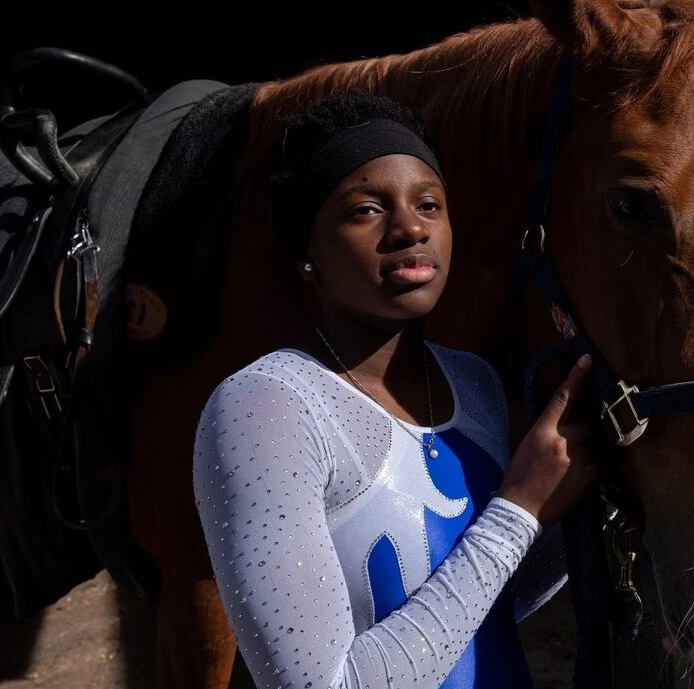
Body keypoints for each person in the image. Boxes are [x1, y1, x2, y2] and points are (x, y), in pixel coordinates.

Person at [191, 91, 597, 688]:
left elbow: (486, 609)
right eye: (365, 210)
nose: (410, 228)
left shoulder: (475, 384)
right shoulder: (268, 406)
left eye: (429, 204)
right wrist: (519, 511)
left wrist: (573, 500)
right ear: (307, 253)